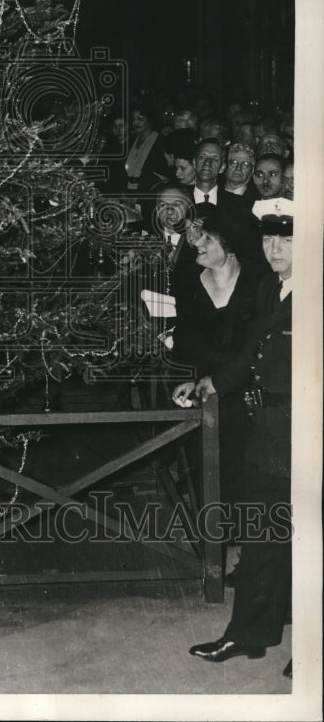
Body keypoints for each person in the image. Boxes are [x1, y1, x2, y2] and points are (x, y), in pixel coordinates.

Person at [176, 199, 293, 676]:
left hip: (301, 429)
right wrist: (212, 383)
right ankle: (248, 633)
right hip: (265, 432)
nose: (275, 249)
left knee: (306, 541)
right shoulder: (270, 288)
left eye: (287, 239)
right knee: (263, 537)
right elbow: (249, 353)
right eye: (268, 238)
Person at [169, 210, 260, 515]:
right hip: (203, 399)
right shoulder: (189, 284)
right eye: (198, 235)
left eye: (207, 238)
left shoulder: (259, 286)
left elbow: (255, 350)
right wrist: (185, 379)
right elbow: (183, 343)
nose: (197, 243)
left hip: (246, 402)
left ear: (230, 246)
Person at [124, 103, 168, 196]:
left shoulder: (161, 141)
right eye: (133, 119)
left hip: (149, 194)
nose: (136, 123)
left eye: (140, 119)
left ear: (149, 120)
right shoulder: (130, 141)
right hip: (128, 193)